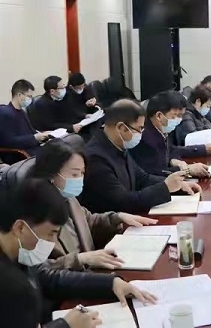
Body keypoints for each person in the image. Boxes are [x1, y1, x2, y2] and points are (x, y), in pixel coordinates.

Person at [0, 178, 156, 328]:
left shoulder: (19, 253)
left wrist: (110, 283)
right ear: (20, 228)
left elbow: (48, 278)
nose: (52, 243)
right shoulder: (7, 281)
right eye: (50, 234)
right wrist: (65, 326)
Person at [29, 140, 157, 271]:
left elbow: (89, 221)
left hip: (88, 273)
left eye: (82, 173)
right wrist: (80, 259)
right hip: (70, 280)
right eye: (74, 174)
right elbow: (38, 270)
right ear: (51, 174)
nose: (79, 179)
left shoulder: (68, 198)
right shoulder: (35, 212)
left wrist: (118, 218)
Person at [80, 99, 199, 214]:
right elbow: (123, 202)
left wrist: (177, 185)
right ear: (121, 127)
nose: (141, 134)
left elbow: (142, 178)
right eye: (139, 129)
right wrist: (165, 188)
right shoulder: (96, 158)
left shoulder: (118, 145)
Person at [129, 91, 210, 177]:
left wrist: (173, 159)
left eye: (181, 115)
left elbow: (171, 150)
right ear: (159, 116)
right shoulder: (144, 137)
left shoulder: (162, 129)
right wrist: (186, 170)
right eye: (175, 115)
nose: (179, 119)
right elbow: (152, 172)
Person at [0, 79, 49, 161]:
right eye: (29, 96)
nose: (31, 99)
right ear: (19, 95)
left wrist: (43, 135)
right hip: (20, 154)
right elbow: (8, 141)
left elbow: (30, 132)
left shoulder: (22, 112)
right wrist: (35, 138)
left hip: (31, 148)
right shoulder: (5, 113)